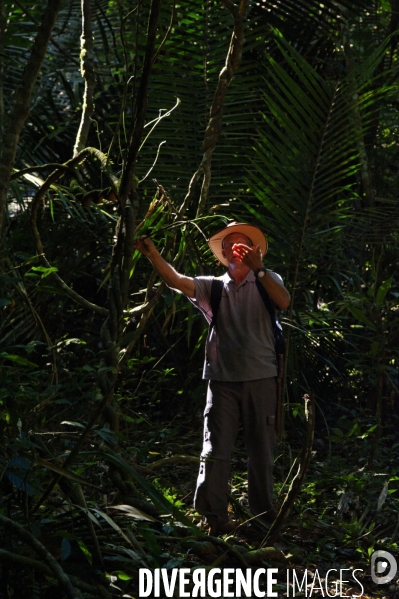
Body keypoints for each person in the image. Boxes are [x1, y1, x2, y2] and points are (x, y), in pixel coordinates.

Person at [134, 222, 290, 535]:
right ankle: (214, 517)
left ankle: (262, 520)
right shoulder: (213, 287)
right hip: (222, 381)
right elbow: (177, 281)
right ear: (222, 253)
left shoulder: (268, 280)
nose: (235, 248)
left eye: (241, 243)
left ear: (253, 250)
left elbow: (284, 301)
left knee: (261, 451)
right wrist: (152, 255)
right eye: (229, 244)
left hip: (262, 378)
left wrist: (259, 269)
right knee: (215, 448)